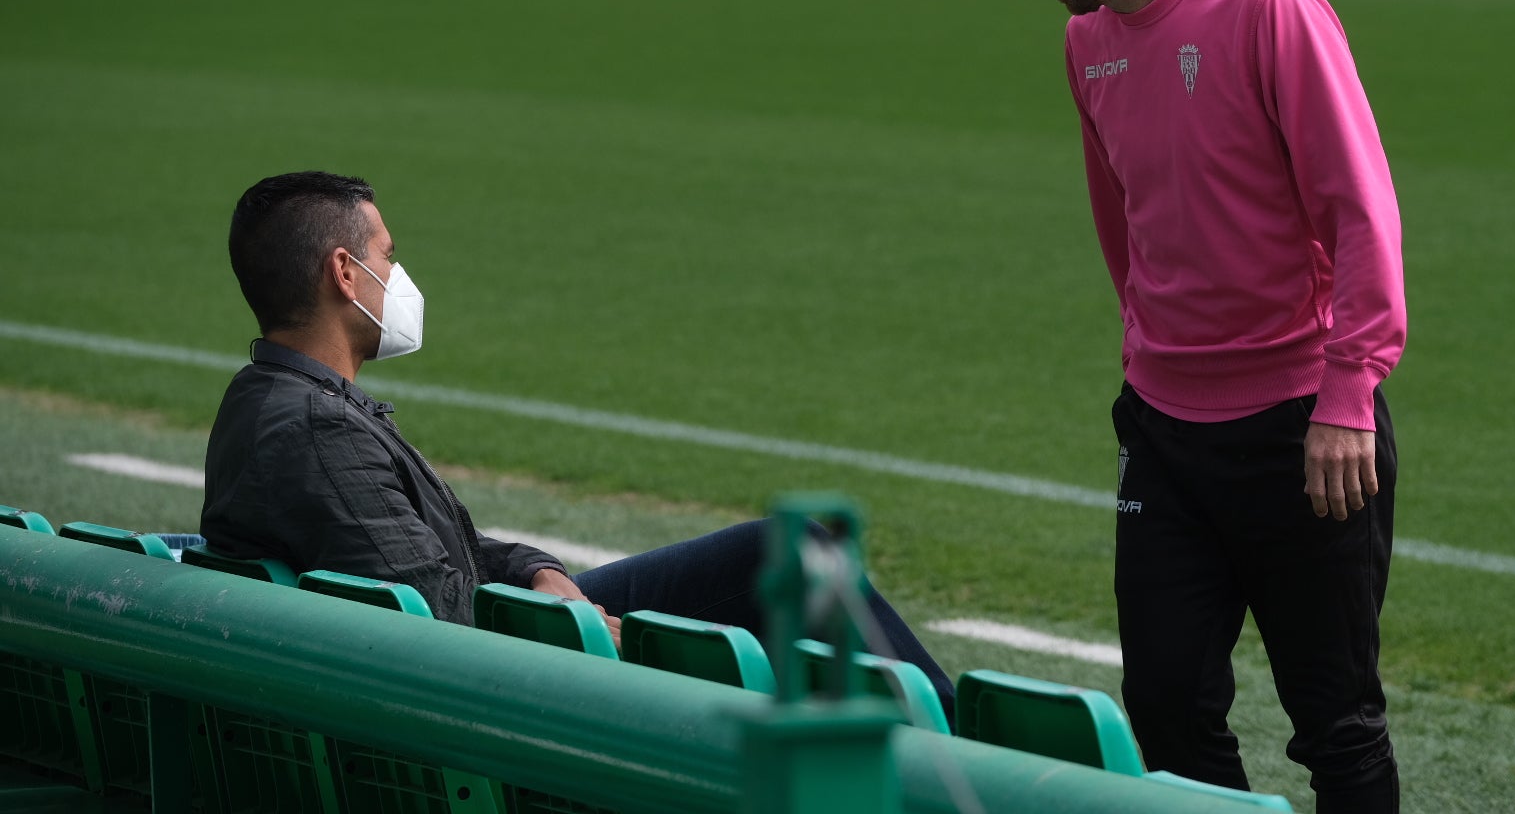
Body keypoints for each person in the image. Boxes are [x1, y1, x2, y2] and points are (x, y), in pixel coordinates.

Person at [959, 0, 1406, 813]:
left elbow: (1362, 206)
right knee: (1164, 708)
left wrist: (1346, 393)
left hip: (1304, 432)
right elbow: (1125, 228)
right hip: (1164, 433)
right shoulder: (1088, 45)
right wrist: (1149, 359)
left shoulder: (1269, 6)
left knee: (1335, 723)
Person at [201, 170, 954, 720]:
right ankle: (964, 759)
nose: (397, 276)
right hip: (491, 697)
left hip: (465, 653)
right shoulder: (315, 430)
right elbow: (438, 617)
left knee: (779, 549)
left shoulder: (282, 401)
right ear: (344, 272)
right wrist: (572, 619)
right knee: (788, 556)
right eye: (388, 256)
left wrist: (539, 570)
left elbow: (431, 557)